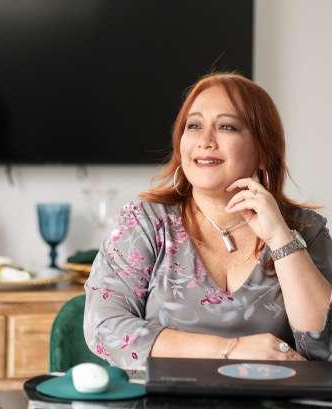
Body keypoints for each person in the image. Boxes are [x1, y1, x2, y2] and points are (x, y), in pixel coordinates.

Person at [83, 72, 332, 369]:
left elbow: (324, 346)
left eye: (227, 127)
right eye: (194, 126)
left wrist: (280, 238)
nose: (205, 141)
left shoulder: (306, 229)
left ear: (263, 150)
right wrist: (230, 349)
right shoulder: (145, 222)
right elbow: (104, 328)